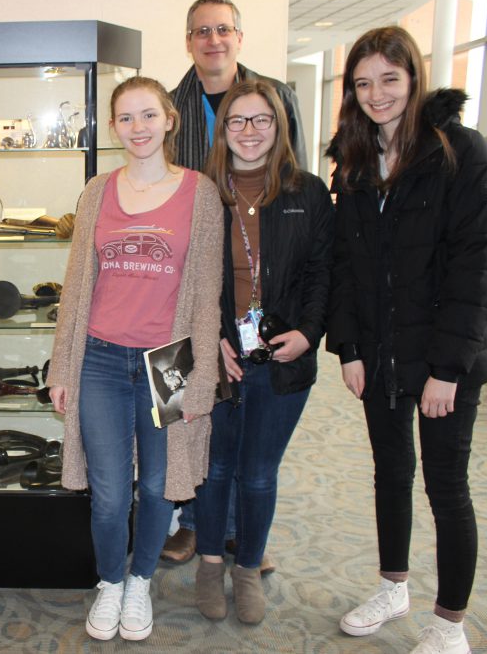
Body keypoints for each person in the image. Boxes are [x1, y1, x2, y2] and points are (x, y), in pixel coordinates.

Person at [327, 26, 487, 654]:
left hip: (443, 355)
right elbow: (345, 268)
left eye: (389, 79)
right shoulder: (351, 161)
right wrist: (348, 349)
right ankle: (393, 585)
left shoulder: (459, 150)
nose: (376, 94)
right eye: (363, 83)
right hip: (377, 351)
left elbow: (477, 266)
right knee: (390, 472)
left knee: (447, 486)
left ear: (414, 78)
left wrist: (449, 369)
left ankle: (450, 621)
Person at [47, 76, 223, 642]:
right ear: (114, 127)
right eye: (126, 118)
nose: (138, 127)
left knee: (156, 488)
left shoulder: (200, 194)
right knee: (108, 493)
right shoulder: (97, 191)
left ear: (170, 119)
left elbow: (205, 297)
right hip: (99, 359)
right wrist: (62, 368)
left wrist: (200, 384)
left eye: (149, 115)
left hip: (167, 360)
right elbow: (76, 288)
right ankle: (110, 583)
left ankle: (141, 579)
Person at [164, 0, 308, 569]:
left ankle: (241, 534)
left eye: (223, 29)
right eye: (201, 31)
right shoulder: (171, 105)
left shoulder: (278, 97)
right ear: (189, 41)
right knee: (192, 408)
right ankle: (194, 522)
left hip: (258, 282)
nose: (213, 39)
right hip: (191, 275)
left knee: (250, 425)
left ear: (239, 38)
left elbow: (294, 181)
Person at [195, 80, 333, 625]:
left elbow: (325, 272)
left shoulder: (308, 192)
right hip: (220, 356)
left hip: (284, 357)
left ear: (279, 127)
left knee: (257, 473)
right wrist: (213, 340)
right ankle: (209, 563)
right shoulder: (203, 192)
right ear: (222, 130)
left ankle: (246, 567)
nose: (249, 132)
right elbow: (189, 279)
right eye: (237, 121)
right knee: (215, 466)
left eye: (261, 121)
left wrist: (309, 332)